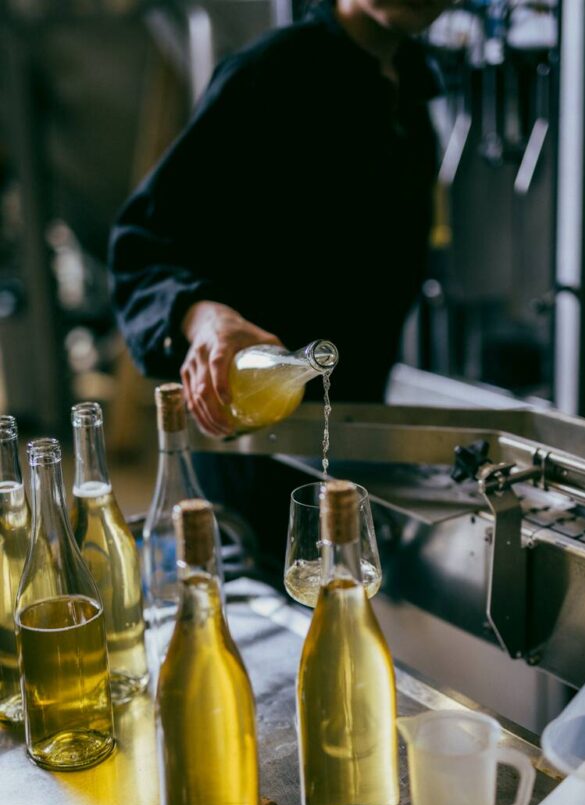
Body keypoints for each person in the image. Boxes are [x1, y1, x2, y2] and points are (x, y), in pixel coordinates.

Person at [109, 0, 451, 562]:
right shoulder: (269, 77)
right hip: (255, 457)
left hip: (355, 446)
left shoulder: (412, 100)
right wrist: (204, 318)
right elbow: (141, 248)